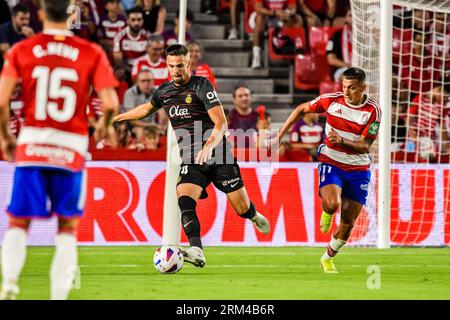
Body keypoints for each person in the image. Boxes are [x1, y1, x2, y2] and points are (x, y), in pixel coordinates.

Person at [0, 0, 119, 300]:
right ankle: (58, 295)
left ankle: (10, 283)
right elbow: (112, 104)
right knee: (68, 227)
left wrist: (5, 137)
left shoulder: (21, 50)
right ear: (71, 14)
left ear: (40, 14)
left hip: (32, 145)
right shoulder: (91, 52)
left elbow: (2, 102)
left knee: (18, 221)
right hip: (71, 149)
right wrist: (105, 125)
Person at [114, 44, 270, 268]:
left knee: (241, 208)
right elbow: (145, 109)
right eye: (171, 66)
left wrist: (208, 146)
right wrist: (119, 118)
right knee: (184, 198)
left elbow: (221, 122)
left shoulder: (201, 85)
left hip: (218, 154)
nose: (175, 70)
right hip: (191, 157)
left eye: (179, 65)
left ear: (188, 64)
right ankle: (196, 250)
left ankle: (253, 215)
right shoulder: (164, 92)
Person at [276, 67, 381, 273]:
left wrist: (341, 140)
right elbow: (301, 109)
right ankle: (327, 210)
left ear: (363, 87)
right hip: (331, 160)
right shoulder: (332, 100)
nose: (346, 92)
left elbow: (365, 145)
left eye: (351, 88)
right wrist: (280, 135)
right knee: (333, 204)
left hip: (358, 167)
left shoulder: (373, 111)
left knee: (348, 223)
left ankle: (327, 258)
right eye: (344, 87)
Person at [251, 0, 302, 68]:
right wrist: (274, 13)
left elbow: (293, 8)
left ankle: (296, 50)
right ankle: (256, 57)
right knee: (260, 18)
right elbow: (258, 8)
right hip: (264, 16)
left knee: (297, 19)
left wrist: (287, 13)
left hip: (280, 17)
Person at [123, 69, 166, 138]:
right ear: (137, 82)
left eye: (148, 80)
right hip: (133, 126)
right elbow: (132, 120)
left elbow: (163, 115)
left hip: (152, 125)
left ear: (153, 81)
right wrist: (152, 125)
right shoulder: (130, 93)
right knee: (140, 131)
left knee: (162, 131)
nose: (146, 84)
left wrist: (163, 125)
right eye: (143, 81)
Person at [113, 6, 149, 72]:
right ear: (128, 21)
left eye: (139, 19)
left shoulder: (148, 37)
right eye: (133, 20)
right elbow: (118, 62)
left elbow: (149, 59)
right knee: (119, 72)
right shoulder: (119, 37)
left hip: (142, 71)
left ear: (142, 21)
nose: (136, 23)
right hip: (126, 70)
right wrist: (132, 72)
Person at [326, 7, 352, 82]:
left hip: (362, 68)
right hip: (342, 68)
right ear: (346, 18)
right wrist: (348, 65)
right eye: (350, 16)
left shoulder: (363, 37)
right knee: (351, 78)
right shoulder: (336, 36)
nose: (353, 19)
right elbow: (331, 59)